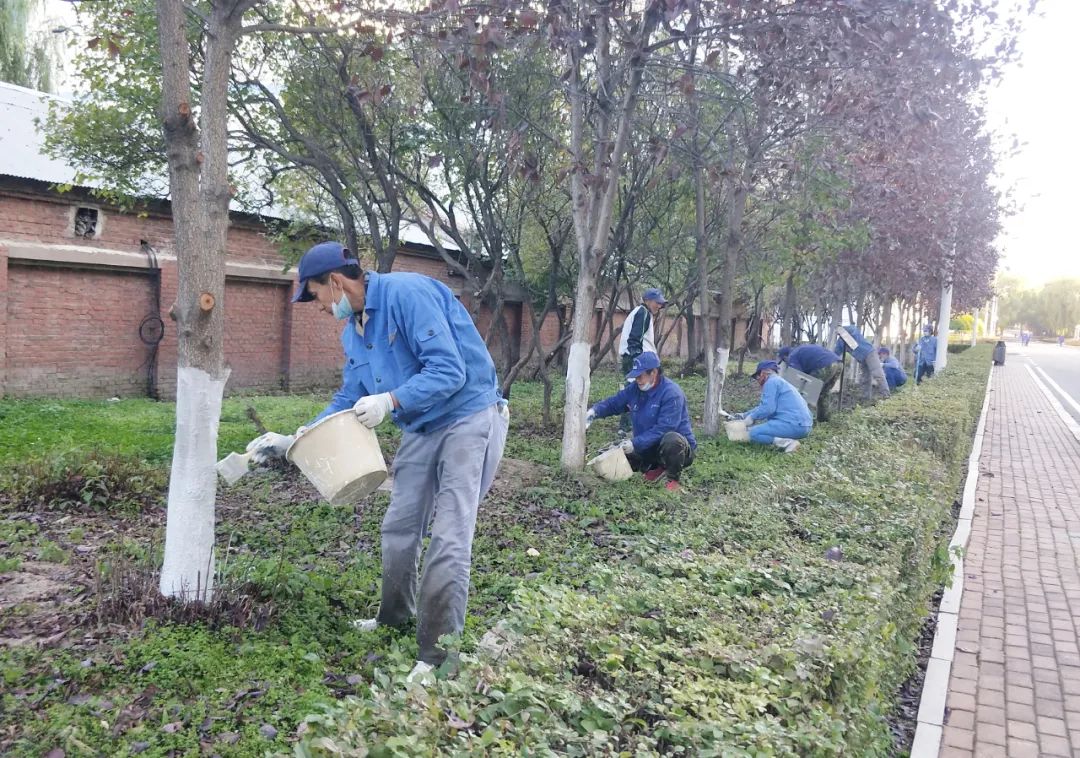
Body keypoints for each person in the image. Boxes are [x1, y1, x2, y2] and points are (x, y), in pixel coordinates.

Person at [246, 241, 508, 680]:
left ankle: (437, 657)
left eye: (315, 295)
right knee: (399, 527)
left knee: (449, 536)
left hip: (470, 416)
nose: (317, 306)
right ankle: (395, 616)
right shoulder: (355, 330)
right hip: (422, 427)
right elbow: (348, 397)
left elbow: (450, 371)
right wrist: (296, 438)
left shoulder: (409, 294)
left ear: (335, 281)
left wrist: (390, 400)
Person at [586, 352, 695, 492]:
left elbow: (664, 428)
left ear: (653, 373)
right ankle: (654, 468)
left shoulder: (672, 393)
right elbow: (615, 403)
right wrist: (594, 412)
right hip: (647, 445)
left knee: (671, 440)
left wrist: (635, 443)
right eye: (636, 376)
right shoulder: (635, 389)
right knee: (617, 452)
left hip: (677, 450)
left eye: (640, 376)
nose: (637, 380)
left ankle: (672, 479)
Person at [732, 360, 813, 453]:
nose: (757, 379)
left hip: (793, 424)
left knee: (753, 433)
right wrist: (744, 415)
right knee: (752, 430)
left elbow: (767, 409)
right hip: (803, 425)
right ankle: (785, 440)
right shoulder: (779, 382)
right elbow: (764, 406)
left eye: (757, 376)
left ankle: (788, 443)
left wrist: (751, 418)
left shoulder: (771, 382)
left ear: (763, 373)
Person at [616, 288, 668, 432]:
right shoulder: (643, 313)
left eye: (661, 303)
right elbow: (634, 340)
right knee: (639, 391)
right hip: (638, 359)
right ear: (648, 301)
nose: (659, 306)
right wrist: (640, 363)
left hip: (636, 359)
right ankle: (629, 426)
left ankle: (628, 426)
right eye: (657, 302)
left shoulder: (641, 313)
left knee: (636, 390)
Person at [777, 343, 842, 422]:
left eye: (783, 360)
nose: (785, 363)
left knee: (809, 394)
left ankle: (807, 422)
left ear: (785, 356)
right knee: (823, 394)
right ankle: (824, 420)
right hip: (838, 364)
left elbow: (797, 378)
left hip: (825, 366)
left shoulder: (792, 356)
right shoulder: (800, 351)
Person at [834, 324, 890, 402]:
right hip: (862, 359)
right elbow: (835, 353)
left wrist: (842, 330)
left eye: (838, 329)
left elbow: (853, 331)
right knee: (865, 378)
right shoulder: (840, 342)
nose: (838, 332)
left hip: (870, 353)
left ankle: (886, 395)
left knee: (878, 374)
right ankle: (865, 398)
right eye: (837, 331)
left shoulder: (851, 330)